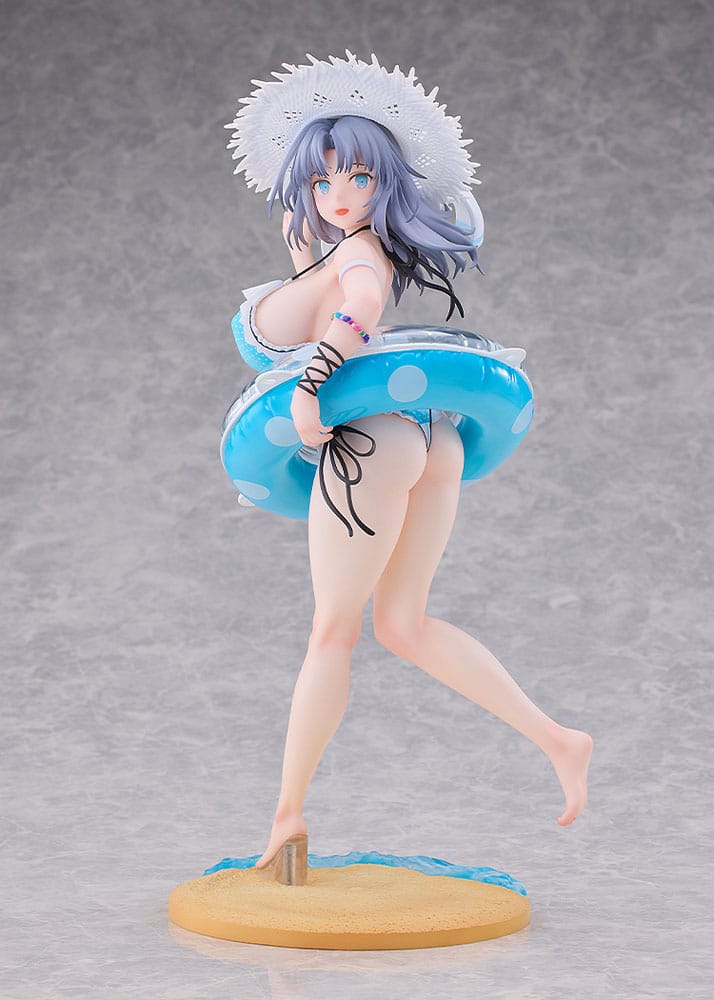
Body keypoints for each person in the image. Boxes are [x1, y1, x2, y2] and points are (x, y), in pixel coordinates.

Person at [225, 53, 593, 881]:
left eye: (358, 176)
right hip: (431, 437)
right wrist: (305, 252)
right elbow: (331, 279)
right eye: (320, 180)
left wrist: (313, 385)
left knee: (333, 631)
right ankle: (560, 740)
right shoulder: (331, 247)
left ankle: (287, 818)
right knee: (404, 625)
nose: (338, 194)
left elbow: (360, 307)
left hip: (373, 439)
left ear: (384, 181)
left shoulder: (358, 258)